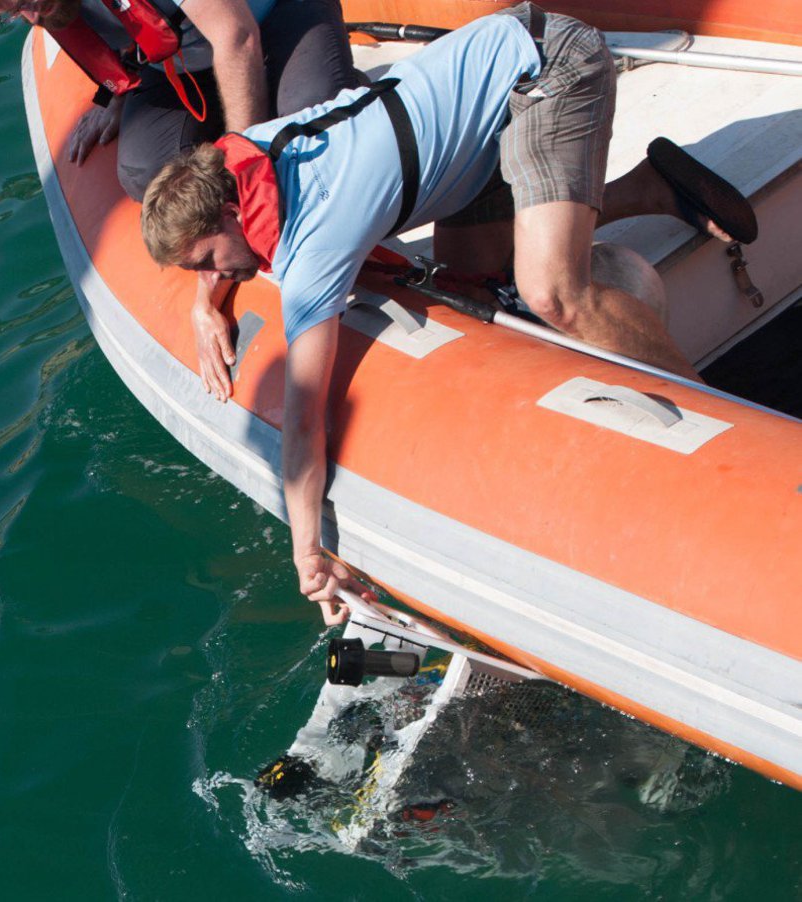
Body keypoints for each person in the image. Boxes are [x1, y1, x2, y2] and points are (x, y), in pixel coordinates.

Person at [139, 4, 758, 622]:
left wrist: (308, 554)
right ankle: (654, 187)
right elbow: (232, 238)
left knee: (552, 294)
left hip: (545, 69)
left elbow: (304, 424)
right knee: (473, 285)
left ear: (227, 215)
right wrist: (205, 301)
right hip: (483, 104)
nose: (213, 276)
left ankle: (740, 433)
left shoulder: (314, 241)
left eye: (208, 261)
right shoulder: (245, 154)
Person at [0, 0, 359, 200]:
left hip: (272, 21)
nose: (31, 13)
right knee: (145, 171)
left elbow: (236, 38)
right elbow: (121, 28)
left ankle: (336, 87)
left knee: (304, 135)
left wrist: (245, 163)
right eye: (10, 9)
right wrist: (116, 96)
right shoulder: (43, 7)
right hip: (184, 61)